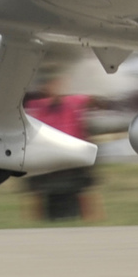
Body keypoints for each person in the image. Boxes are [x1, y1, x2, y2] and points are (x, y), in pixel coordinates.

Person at [23, 78, 100, 222]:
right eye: (52, 85)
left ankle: (92, 219)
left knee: (84, 188)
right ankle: (35, 222)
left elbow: (93, 101)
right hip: (47, 156)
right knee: (36, 190)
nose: (56, 89)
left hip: (74, 155)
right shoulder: (36, 105)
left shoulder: (74, 101)